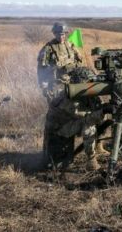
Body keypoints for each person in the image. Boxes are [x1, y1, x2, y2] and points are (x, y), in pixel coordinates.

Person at [37, 22, 108, 171]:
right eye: (58, 34)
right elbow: (42, 71)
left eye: (63, 34)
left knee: (97, 106)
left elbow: (81, 63)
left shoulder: (72, 46)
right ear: (54, 34)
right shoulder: (48, 49)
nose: (61, 37)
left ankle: (99, 144)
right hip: (60, 89)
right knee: (85, 118)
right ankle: (89, 156)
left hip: (77, 84)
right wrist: (45, 89)